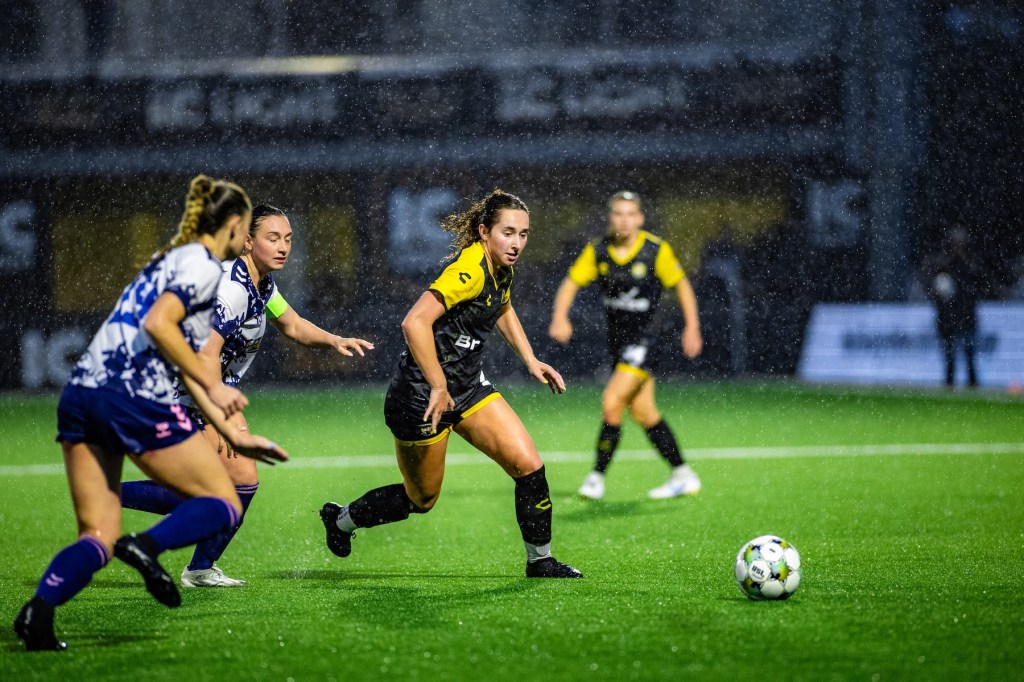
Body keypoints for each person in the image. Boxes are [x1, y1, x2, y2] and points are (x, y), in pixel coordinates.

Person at [13, 176, 288, 651]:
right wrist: (222, 414)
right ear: (236, 229)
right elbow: (164, 327)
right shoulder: (211, 270)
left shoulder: (166, 259)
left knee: (97, 536)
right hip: (133, 396)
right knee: (223, 501)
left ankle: (39, 612)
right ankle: (148, 546)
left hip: (81, 393)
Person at [320, 189, 582, 578]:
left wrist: (530, 359)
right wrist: (439, 385)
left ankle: (540, 560)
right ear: (483, 232)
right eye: (508, 233)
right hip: (420, 396)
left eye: (523, 234)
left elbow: (502, 304)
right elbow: (414, 322)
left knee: (528, 466)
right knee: (421, 498)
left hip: (467, 387)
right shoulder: (469, 270)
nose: (516, 243)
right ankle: (341, 520)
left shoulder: (501, 268)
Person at [118, 205, 374, 587]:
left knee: (241, 483)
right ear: (248, 241)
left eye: (288, 239)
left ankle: (201, 568)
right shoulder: (234, 290)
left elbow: (291, 324)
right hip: (176, 390)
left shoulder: (261, 283)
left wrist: (334, 340)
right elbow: (202, 355)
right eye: (273, 238)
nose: (283, 246)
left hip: (205, 389)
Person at [548, 191, 703, 500]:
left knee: (611, 403)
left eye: (630, 214)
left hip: (648, 340)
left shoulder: (655, 250)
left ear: (640, 218)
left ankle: (596, 478)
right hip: (619, 344)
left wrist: (692, 326)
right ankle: (684, 474)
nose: (624, 220)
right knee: (644, 413)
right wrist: (560, 317)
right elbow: (570, 283)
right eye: (618, 214)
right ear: (611, 218)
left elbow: (682, 285)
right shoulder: (599, 251)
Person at [928, 227, 982, 387]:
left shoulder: (969, 264)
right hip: (948, 317)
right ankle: (949, 386)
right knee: (950, 357)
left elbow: (978, 283)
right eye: (955, 241)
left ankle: (972, 386)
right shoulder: (943, 263)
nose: (958, 245)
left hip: (966, 316)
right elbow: (935, 289)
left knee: (969, 355)